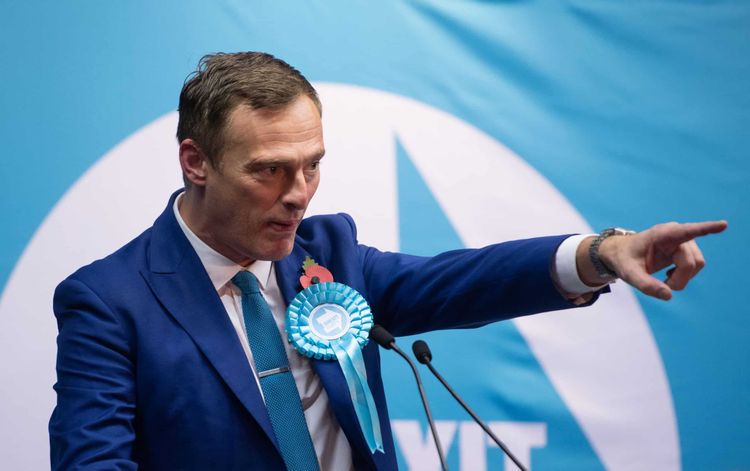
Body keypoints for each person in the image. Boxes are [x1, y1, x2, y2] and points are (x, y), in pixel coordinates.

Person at [49, 52, 726, 470]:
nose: (299, 193)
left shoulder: (330, 255)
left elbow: (466, 281)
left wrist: (602, 251)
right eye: (269, 170)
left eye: (312, 165)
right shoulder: (110, 301)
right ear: (195, 162)